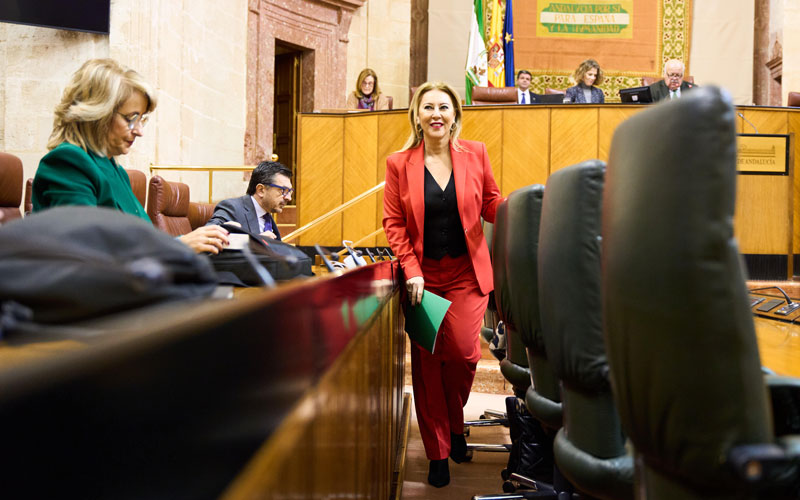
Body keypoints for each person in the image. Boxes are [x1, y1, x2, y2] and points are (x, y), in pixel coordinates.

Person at [383, 81, 504, 488]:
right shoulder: (399, 163)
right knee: (427, 362)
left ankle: (454, 423)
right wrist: (411, 269)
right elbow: (394, 223)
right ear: (417, 116)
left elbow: (491, 202)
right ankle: (438, 452)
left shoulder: (476, 153)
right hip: (423, 277)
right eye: (428, 107)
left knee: (465, 354)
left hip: (466, 273)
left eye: (444, 107)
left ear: (455, 116)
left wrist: (523, 209)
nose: (436, 114)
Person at [33, 58, 229, 254]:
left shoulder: (116, 171)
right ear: (98, 113)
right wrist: (179, 246)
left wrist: (189, 242)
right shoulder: (68, 162)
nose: (139, 131)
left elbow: (144, 241)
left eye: (142, 119)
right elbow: (85, 250)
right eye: (131, 118)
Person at [205, 160, 293, 240]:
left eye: (290, 192)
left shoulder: (266, 216)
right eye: (283, 191)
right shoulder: (232, 208)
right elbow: (207, 237)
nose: (289, 198)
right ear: (261, 190)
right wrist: (254, 241)